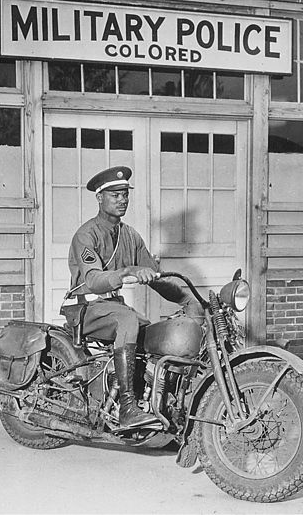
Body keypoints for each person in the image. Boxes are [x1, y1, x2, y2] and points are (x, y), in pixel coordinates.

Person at [65, 166, 203, 428]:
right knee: (128, 321)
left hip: (112, 306)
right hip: (85, 306)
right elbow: (93, 281)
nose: (122, 200)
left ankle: (151, 402)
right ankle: (127, 409)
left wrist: (189, 300)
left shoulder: (131, 236)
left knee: (153, 333)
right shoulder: (87, 234)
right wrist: (128, 271)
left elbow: (157, 279)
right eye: (115, 195)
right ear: (100, 198)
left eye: (125, 194)